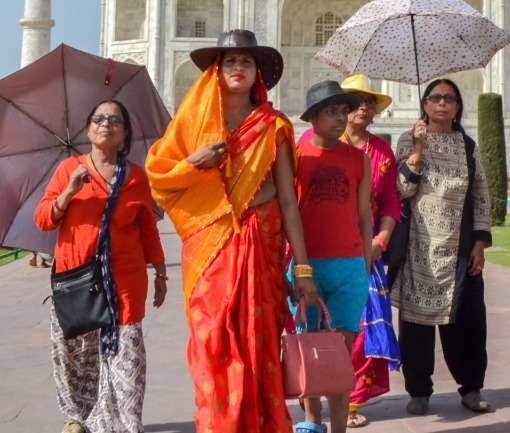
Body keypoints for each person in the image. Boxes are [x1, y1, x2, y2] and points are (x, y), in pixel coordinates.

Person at [146, 30, 318, 433]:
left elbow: (288, 200)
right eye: (230, 61)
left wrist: (303, 270)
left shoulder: (273, 126)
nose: (238, 67)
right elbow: (160, 178)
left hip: (260, 246)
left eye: (246, 61)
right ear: (216, 71)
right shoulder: (193, 124)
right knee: (212, 342)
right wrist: (196, 162)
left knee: (258, 343)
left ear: (257, 73)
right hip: (210, 247)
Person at [34, 100, 168, 433]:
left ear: (125, 134)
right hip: (76, 279)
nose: (105, 123)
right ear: (88, 129)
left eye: (114, 120)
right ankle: (76, 417)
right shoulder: (69, 170)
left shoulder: (135, 177)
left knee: (126, 354)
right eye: (98, 118)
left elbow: (147, 229)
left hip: (125, 280)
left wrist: (161, 272)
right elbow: (43, 220)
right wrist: (69, 192)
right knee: (76, 355)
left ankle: (125, 422)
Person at [391, 77, 493, 416]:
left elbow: (480, 195)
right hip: (418, 246)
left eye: (449, 98)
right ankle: (419, 390)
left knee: (468, 322)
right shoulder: (408, 140)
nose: (442, 103)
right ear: (424, 104)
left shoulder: (467, 145)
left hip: (459, 247)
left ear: (458, 106)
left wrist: (479, 243)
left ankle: (471, 388)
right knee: (415, 326)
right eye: (435, 98)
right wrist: (419, 149)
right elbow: (403, 189)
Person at [291, 80, 374, 433]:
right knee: (309, 349)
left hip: (348, 266)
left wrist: (364, 265)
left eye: (343, 111)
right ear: (312, 117)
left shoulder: (358, 159)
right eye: (331, 112)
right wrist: (296, 268)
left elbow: (364, 217)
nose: (341, 118)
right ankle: (312, 422)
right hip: (307, 266)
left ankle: (339, 427)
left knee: (340, 355)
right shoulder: (295, 156)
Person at [338, 74, 401, 429]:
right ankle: (318, 392)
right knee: (324, 324)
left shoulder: (381, 151)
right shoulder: (318, 144)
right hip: (327, 246)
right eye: (356, 101)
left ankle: (350, 400)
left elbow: (391, 202)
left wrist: (381, 242)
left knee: (362, 328)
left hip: (367, 250)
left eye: (370, 102)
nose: (363, 107)